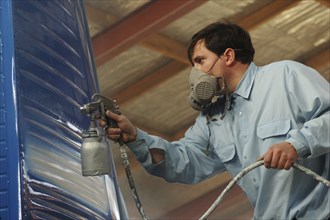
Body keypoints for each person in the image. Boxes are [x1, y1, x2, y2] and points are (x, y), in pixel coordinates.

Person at [99, 21, 330, 219]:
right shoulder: (212, 118)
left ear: (228, 56)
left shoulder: (285, 76)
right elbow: (181, 162)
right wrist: (135, 138)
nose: (196, 72)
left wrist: (296, 144)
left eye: (200, 61)